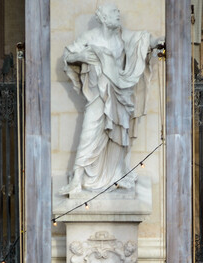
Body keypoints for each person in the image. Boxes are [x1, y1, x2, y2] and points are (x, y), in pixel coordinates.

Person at [60, 4, 161, 194]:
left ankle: (116, 174)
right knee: (89, 132)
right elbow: (68, 55)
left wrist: (157, 42)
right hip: (98, 95)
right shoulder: (90, 37)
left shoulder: (122, 35)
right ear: (104, 18)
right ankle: (77, 179)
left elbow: (142, 40)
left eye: (118, 11)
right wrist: (82, 55)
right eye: (114, 12)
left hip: (120, 94)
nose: (118, 14)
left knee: (118, 136)